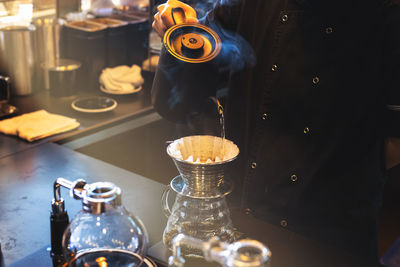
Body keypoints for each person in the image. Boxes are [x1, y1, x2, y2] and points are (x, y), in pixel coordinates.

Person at [152, 0, 400, 265]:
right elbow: (177, 104)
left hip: (330, 238)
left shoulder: (386, 14)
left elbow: (395, 142)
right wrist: (178, 34)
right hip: (242, 227)